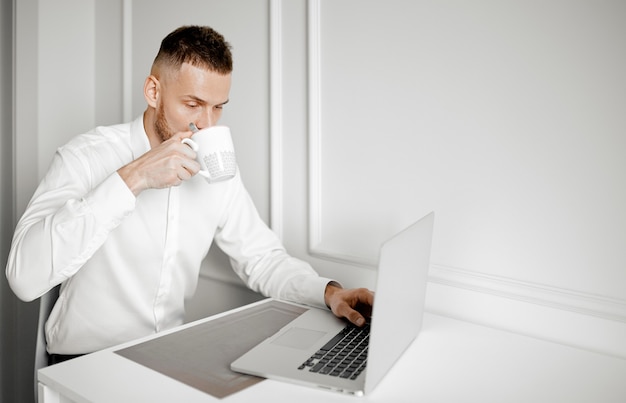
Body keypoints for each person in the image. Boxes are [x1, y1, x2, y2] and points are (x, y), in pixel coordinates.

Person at [5, 25, 373, 364]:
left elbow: (261, 257)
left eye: (218, 108)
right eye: (193, 105)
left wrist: (329, 293)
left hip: (166, 357)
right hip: (82, 362)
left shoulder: (216, 167)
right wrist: (133, 178)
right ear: (154, 91)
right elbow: (24, 278)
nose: (206, 124)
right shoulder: (85, 156)